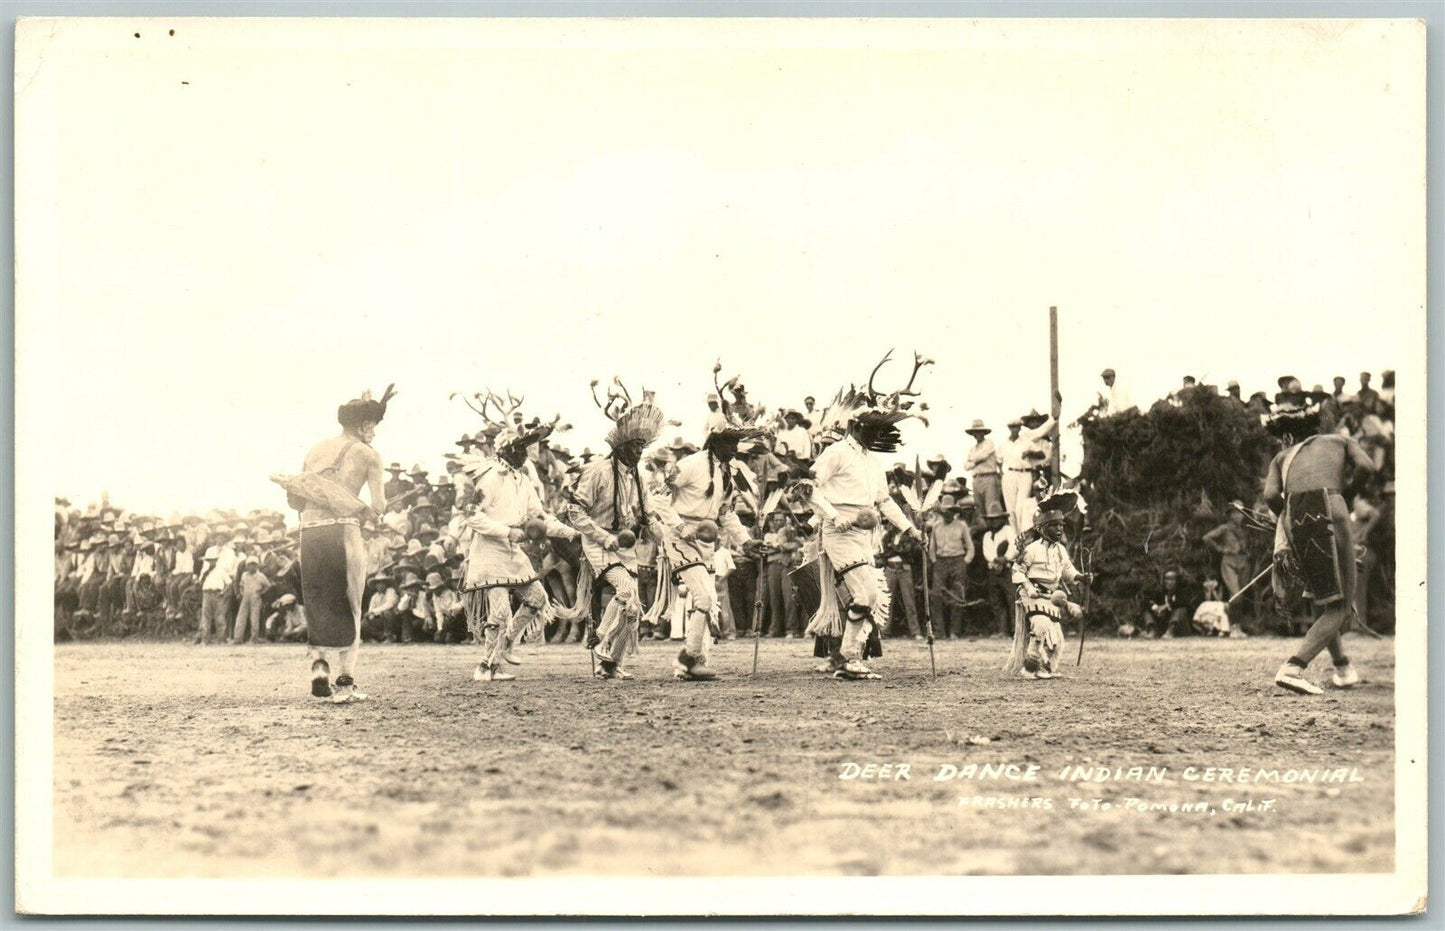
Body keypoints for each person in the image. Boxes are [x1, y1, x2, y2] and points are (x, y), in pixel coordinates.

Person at [806, 359, 928, 680]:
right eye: (872, 429)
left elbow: (884, 501)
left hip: (864, 535)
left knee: (867, 595)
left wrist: (909, 528)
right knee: (866, 595)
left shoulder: (872, 462)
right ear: (856, 426)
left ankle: (846, 657)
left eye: (880, 431)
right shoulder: (835, 453)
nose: (876, 435)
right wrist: (834, 516)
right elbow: (809, 489)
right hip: (838, 531)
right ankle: (848, 658)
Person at [1264, 400, 1375, 694]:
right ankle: (1293, 667)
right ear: (1315, 428)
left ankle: (1343, 667)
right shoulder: (1338, 439)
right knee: (1340, 607)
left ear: (1287, 437)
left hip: (1294, 513)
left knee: (1321, 596)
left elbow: (1271, 495)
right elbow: (1367, 466)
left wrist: (1290, 518)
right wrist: (1347, 497)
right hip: (1330, 504)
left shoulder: (1282, 457)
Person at [293, 385, 394, 703]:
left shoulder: (314, 450)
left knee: (318, 602)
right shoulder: (369, 455)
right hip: (344, 533)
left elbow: (296, 497)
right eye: (374, 427)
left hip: (309, 533)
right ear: (365, 425)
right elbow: (378, 506)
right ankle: (345, 683)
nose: (374, 434)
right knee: (351, 605)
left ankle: (319, 668)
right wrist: (375, 511)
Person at [459, 421, 579, 682]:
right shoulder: (490, 478)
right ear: (505, 450)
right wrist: (505, 531)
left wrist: (571, 532)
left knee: (538, 598)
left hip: (512, 549)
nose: (524, 453)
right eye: (519, 447)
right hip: (490, 550)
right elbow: (470, 515)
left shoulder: (523, 480)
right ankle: (485, 667)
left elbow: (539, 516)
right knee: (500, 611)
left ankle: (506, 645)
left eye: (526, 447)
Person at [562, 387, 668, 680]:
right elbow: (575, 511)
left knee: (633, 605)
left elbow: (648, 516)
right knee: (624, 591)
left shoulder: (638, 476)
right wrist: (601, 536)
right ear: (620, 446)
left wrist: (666, 542)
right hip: (599, 541)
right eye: (634, 447)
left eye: (641, 448)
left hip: (624, 543)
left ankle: (612, 663)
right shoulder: (598, 471)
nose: (638, 452)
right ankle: (600, 640)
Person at [654, 419, 763, 680]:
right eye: (730, 443)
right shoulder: (691, 464)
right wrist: (680, 527)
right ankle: (687, 659)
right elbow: (657, 496)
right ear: (716, 443)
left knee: (709, 600)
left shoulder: (729, 471)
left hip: (706, 537)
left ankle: (698, 660)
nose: (735, 449)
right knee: (704, 597)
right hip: (680, 537)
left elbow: (725, 512)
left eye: (737, 443)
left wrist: (746, 541)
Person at [1008, 491, 1088, 679]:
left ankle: (1046, 668)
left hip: (1051, 598)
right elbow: (1017, 570)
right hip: (1032, 595)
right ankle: (1029, 668)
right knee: (1041, 626)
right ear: (1042, 528)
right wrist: (1028, 588)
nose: (1059, 530)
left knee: (1058, 640)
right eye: (1054, 526)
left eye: (1061, 525)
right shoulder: (1032, 549)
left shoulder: (1060, 550)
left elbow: (1068, 571)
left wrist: (1082, 578)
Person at [999, 409, 1055, 533]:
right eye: (1013, 427)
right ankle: (1015, 536)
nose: (1015, 429)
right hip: (1009, 474)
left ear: (1020, 428)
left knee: (1021, 507)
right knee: (1010, 509)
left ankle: (1023, 534)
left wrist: (1030, 452)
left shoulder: (1026, 439)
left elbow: (1042, 455)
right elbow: (998, 459)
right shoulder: (1004, 444)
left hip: (1025, 473)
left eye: (1017, 427)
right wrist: (1001, 473)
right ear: (1009, 428)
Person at [928, 499, 974, 638]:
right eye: (944, 512)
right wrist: (935, 561)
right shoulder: (936, 526)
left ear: (954, 512)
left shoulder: (961, 525)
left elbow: (970, 546)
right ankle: (939, 631)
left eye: (950, 512)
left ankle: (955, 631)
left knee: (957, 595)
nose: (947, 514)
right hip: (941, 562)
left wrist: (965, 561)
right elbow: (932, 547)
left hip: (958, 560)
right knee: (936, 596)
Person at [1202, 503, 1251, 604]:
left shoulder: (1245, 529)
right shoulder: (1225, 528)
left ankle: (1236, 618)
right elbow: (1206, 538)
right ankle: (1231, 618)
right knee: (1236, 595)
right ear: (1230, 515)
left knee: (1243, 593)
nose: (1239, 516)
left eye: (1241, 513)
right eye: (1236, 513)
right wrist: (1221, 549)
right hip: (1229, 562)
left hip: (1244, 562)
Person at [981, 515, 1017, 638]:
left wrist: (1005, 558)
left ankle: (1015, 630)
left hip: (1007, 568)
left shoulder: (1008, 530)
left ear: (1002, 519)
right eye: (991, 519)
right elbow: (987, 552)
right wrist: (995, 559)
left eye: (996, 519)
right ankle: (1002, 630)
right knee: (996, 600)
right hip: (993, 569)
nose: (994, 521)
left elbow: (1014, 546)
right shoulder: (987, 535)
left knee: (1011, 598)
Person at [964, 419, 1006, 521]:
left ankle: (994, 533)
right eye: (975, 432)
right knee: (979, 509)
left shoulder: (989, 443)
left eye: (979, 431)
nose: (977, 434)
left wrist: (973, 462)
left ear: (983, 432)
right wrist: (975, 462)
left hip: (989, 477)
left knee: (991, 507)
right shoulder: (972, 449)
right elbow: (966, 466)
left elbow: (982, 456)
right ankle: (985, 534)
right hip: (976, 479)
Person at [230, 558, 270, 644]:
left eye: (254, 565)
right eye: (250, 565)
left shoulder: (260, 576)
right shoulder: (244, 575)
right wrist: (241, 593)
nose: (252, 567)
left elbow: (268, 586)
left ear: (257, 566)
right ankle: (238, 639)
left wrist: (261, 592)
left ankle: (254, 639)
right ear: (247, 566)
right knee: (241, 617)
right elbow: (241, 584)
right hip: (245, 598)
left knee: (254, 618)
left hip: (255, 598)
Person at [1142, 569, 1189, 639]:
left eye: (1172, 580)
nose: (1168, 582)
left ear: (1177, 581)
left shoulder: (1182, 593)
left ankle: (1171, 631)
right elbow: (1147, 601)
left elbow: (1183, 603)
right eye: (1166, 579)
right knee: (1147, 611)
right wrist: (1156, 608)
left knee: (1180, 610)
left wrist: (1166, 607)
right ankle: (1152, 631)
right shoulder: (1160, 593)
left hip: (1178, 626)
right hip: (1163, 624)